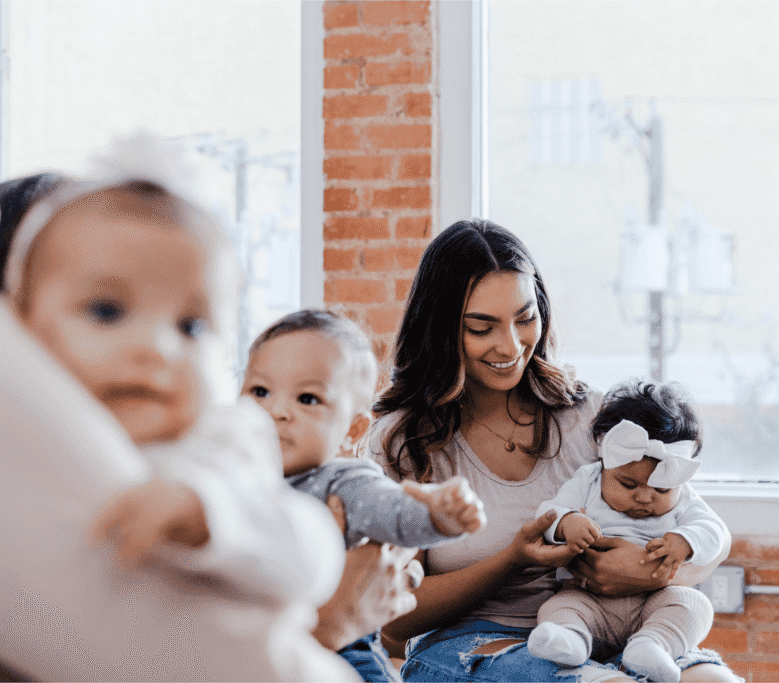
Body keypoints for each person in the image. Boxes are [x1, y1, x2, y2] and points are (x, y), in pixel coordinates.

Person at [0, 143, 359, 680]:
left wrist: (206, 512)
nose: (158, 348)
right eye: (106, 310)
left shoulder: (224, 437)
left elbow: (311, 551)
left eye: (192, 326)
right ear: (24, 332)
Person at [368, 219, 739, 683]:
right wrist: (512, 560)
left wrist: (649, 572)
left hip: (616, 625)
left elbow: (694, 524)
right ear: (440, 329)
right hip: (476, 642)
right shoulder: (405, 442)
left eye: (525, 318)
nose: (511, 345)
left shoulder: (597, 418)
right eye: (482, 327)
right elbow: (394, 625)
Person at [242, 307, 488, 681]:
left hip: (345, 649)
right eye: (260, 391)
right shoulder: (224, 473)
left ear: (353, 431)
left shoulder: (341, 482)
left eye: (307, 398)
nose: (276, 410)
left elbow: (392, 512)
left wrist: (439, 514)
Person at [530, 381, 726, 682]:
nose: (645, 497)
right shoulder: (588, 480)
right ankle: (569, 641)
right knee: (558, 606)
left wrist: (686, 541)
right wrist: (568, 522)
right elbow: (549, 512)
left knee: (696, 606)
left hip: (653, 605)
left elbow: (714, 530)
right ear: (605, 461)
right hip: (588, 600)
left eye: (661, 488)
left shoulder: (685, 497)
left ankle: (652, 647)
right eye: (629, 485)